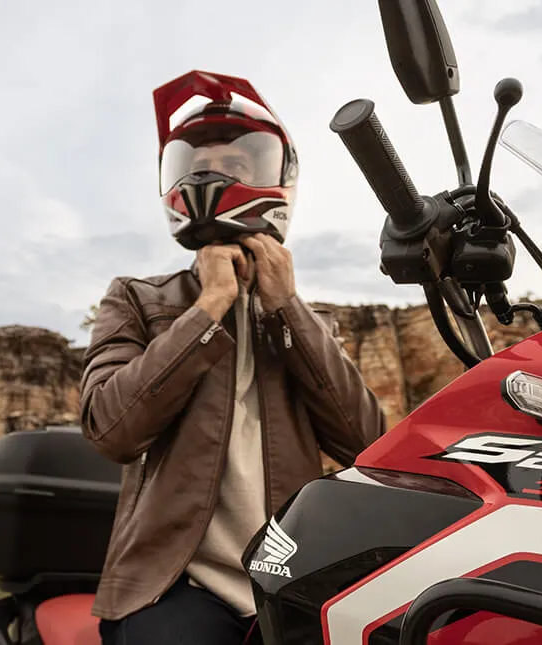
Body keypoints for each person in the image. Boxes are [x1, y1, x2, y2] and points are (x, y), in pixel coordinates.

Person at [79, 69, 388, 645]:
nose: (212, 174)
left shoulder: (309, 320)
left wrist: (287, 309)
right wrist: (209, 307)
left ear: (277, 179)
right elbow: (110, 430)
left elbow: (364, 444)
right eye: (198, 164)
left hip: (292, 575)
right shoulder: (137, 299)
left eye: (235, 164)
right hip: (170, 583)